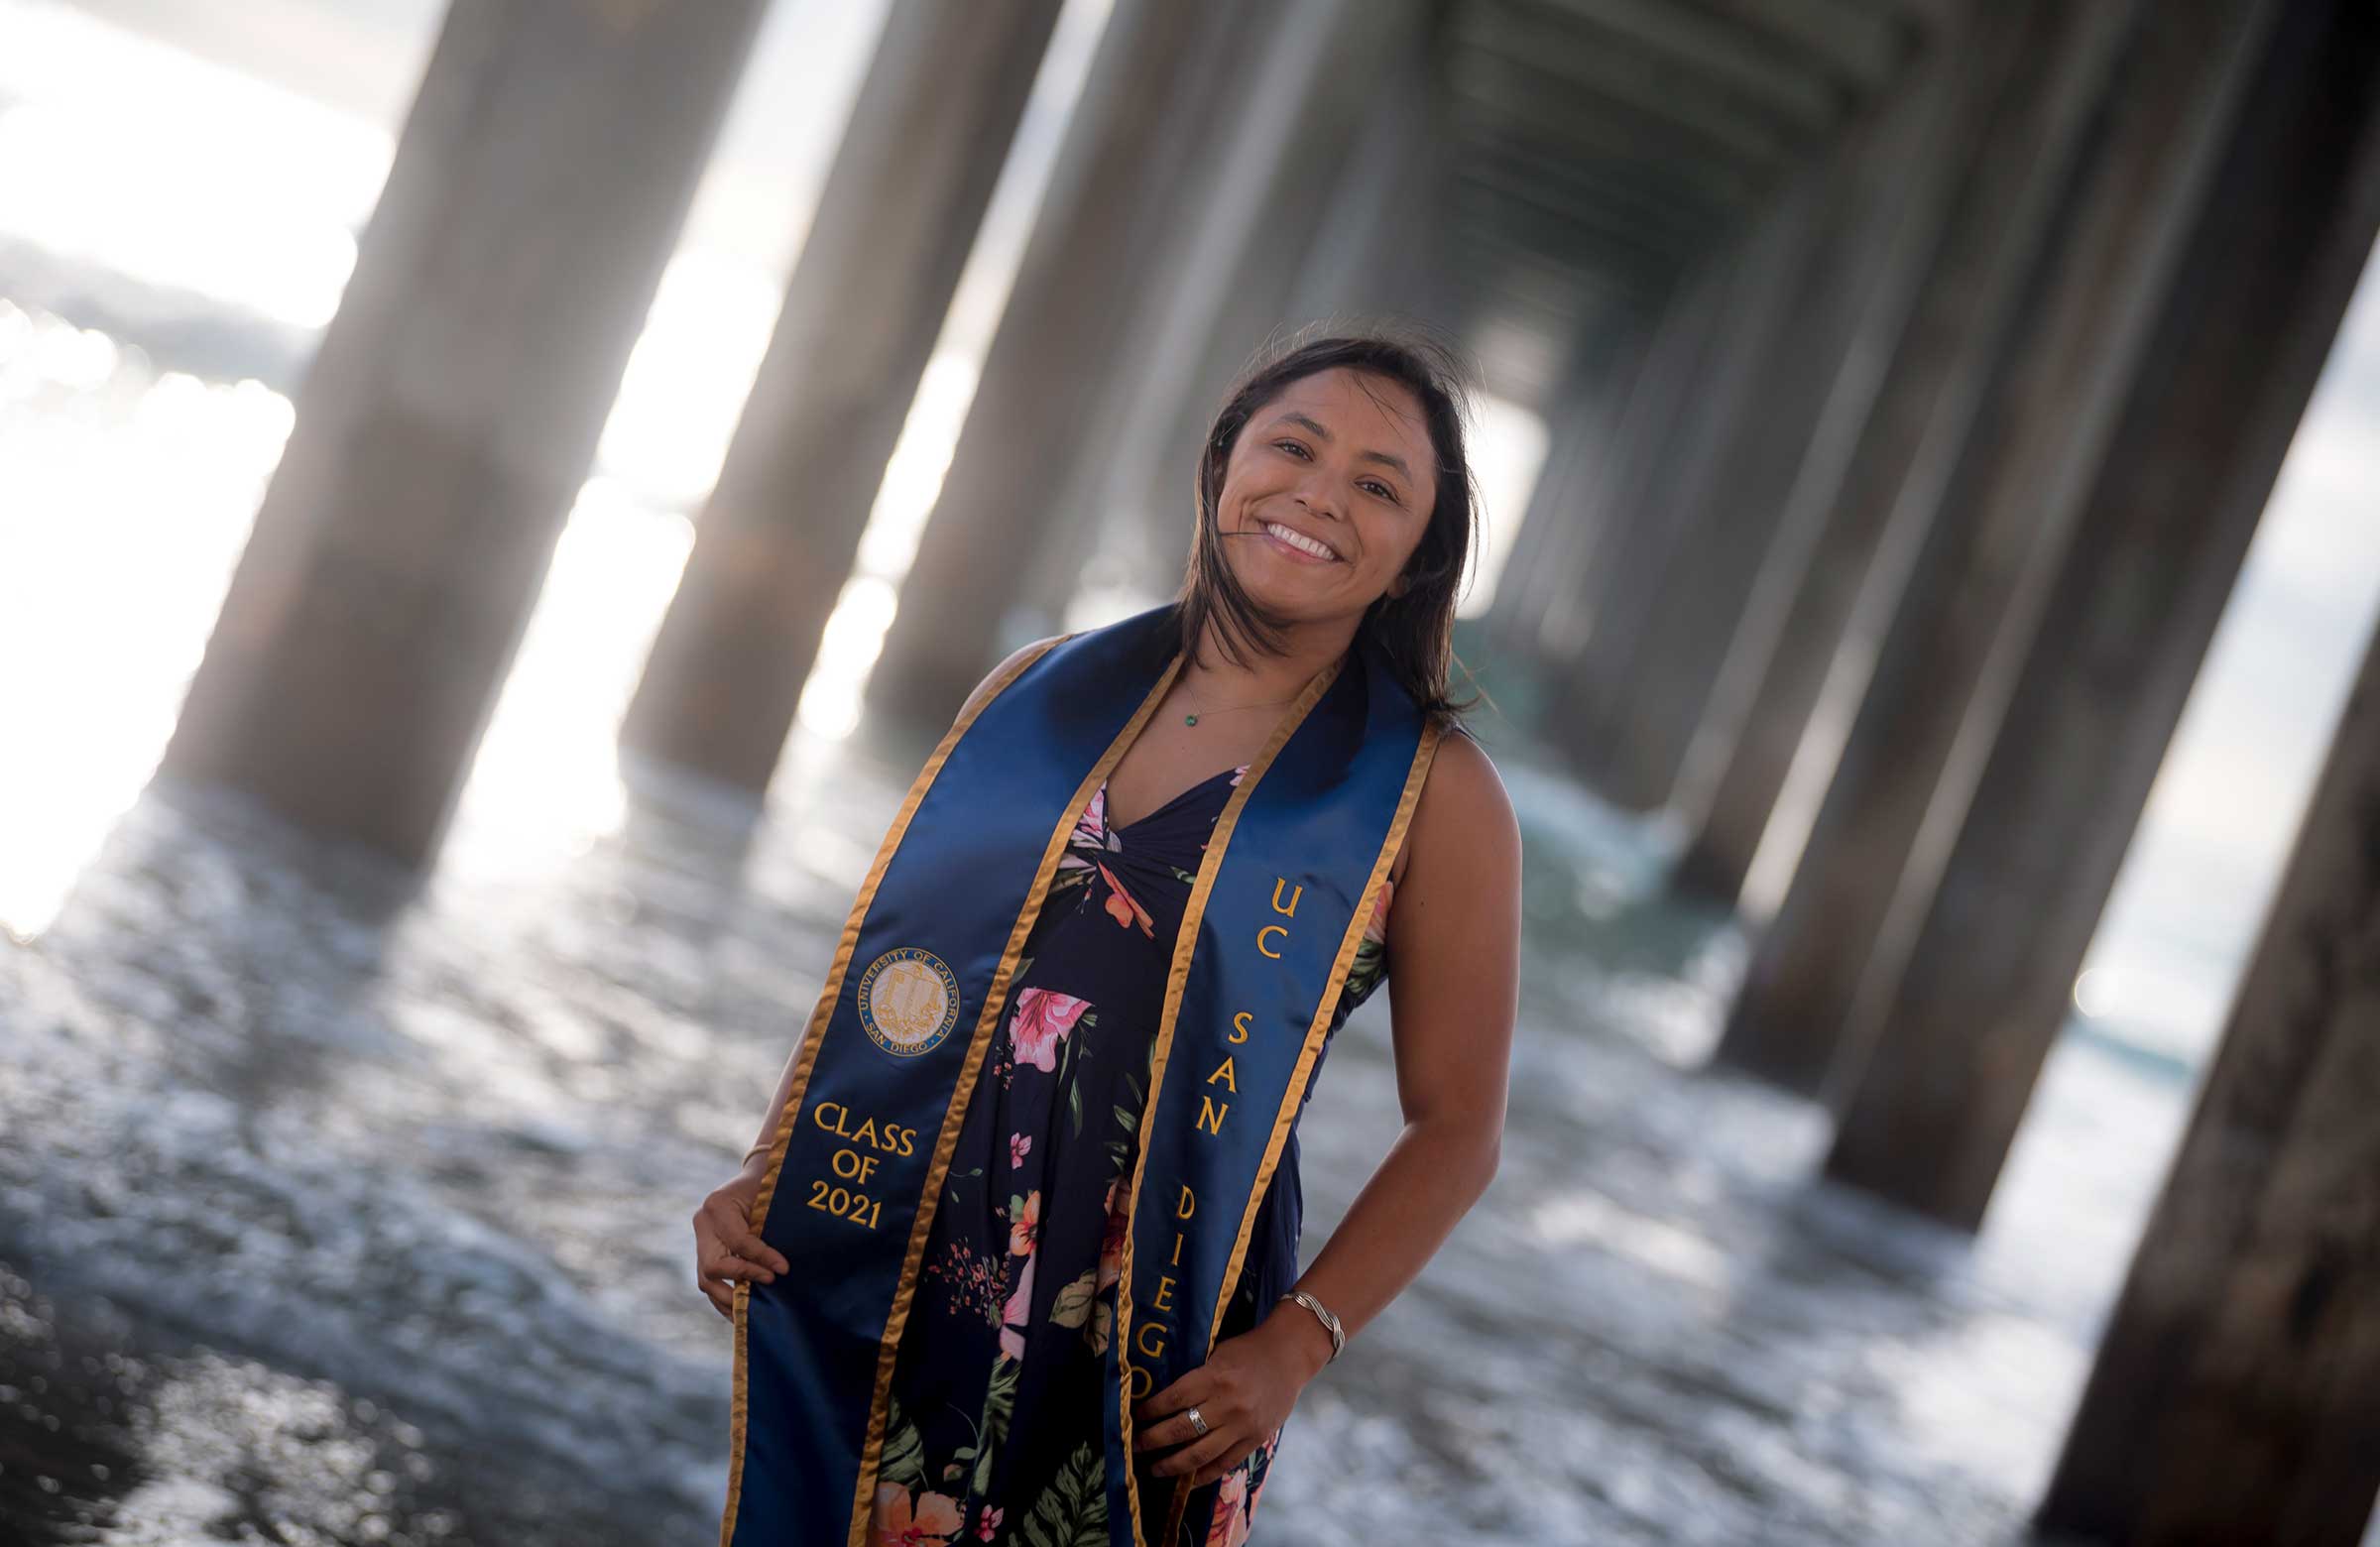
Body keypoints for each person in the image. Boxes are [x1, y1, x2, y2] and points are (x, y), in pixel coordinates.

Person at [693, 325, 1521, 1547]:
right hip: (918, 1260)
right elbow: (902, 969)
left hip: (1162, 1340)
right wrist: (773, 1170)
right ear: (1223, 460)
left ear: (1411, 560)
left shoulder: (1431, 797)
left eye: (1378, 486)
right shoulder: (1033, 690)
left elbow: (1458, 1129)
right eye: (1293, 446)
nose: (1319, 495)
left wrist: (1297, 1343)